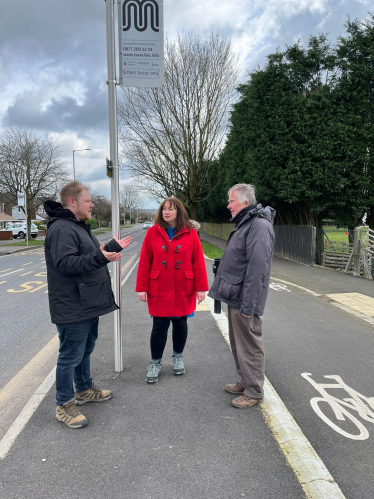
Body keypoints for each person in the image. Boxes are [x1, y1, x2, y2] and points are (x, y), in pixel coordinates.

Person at [44, 181, 132, 429]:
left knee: (85, 349)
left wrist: (107, 251)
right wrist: (100, 256)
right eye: (89, 200)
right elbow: (66, 264)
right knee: (70, 356)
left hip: (87, 303)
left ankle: (83, 390)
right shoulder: (62, 228)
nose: (93, 204)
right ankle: (64, 406)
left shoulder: (77, 227)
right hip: (73, 305)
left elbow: (89, 257)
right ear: (72, 202)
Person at [208, 184, 275, 408]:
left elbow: (258, 270)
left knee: (250, 345)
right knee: (239, 344)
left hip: (245, 298)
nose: (228, 205)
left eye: (231, 201)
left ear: (245, 202)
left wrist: (249, 305)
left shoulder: (258, 226)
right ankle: (246, 381)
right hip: (237, 295)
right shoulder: (248, 222)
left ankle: (254, 391)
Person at [136, 197, 208, 383]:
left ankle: (177, 357)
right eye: (164, 209)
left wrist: (201, 288)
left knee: (180, 323)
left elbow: (198, 262)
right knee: (159, 326)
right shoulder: (152, 232)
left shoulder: (190, 233)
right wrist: (141, 288)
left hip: (183, 287)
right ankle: (155, 362)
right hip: (159, 287)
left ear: (179, 212)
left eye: (171, 209)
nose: (166, 212)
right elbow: (145, 262)